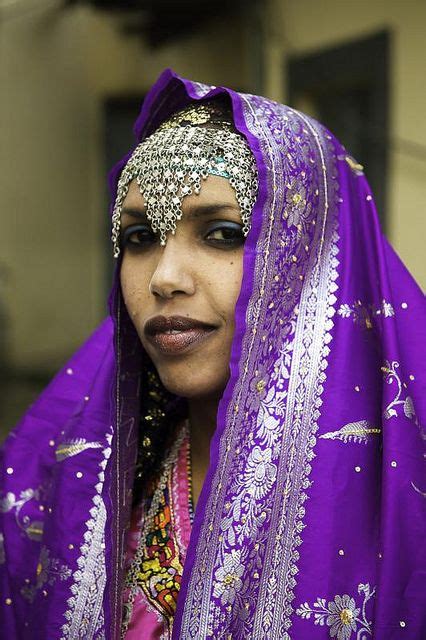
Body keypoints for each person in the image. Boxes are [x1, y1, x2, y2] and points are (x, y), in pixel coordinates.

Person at [0, 69, 425, 640]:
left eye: (223, 233)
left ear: (316, 262)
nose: (163, 278)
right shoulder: (67, 483)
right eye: (139, 238)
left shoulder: (403, 496)